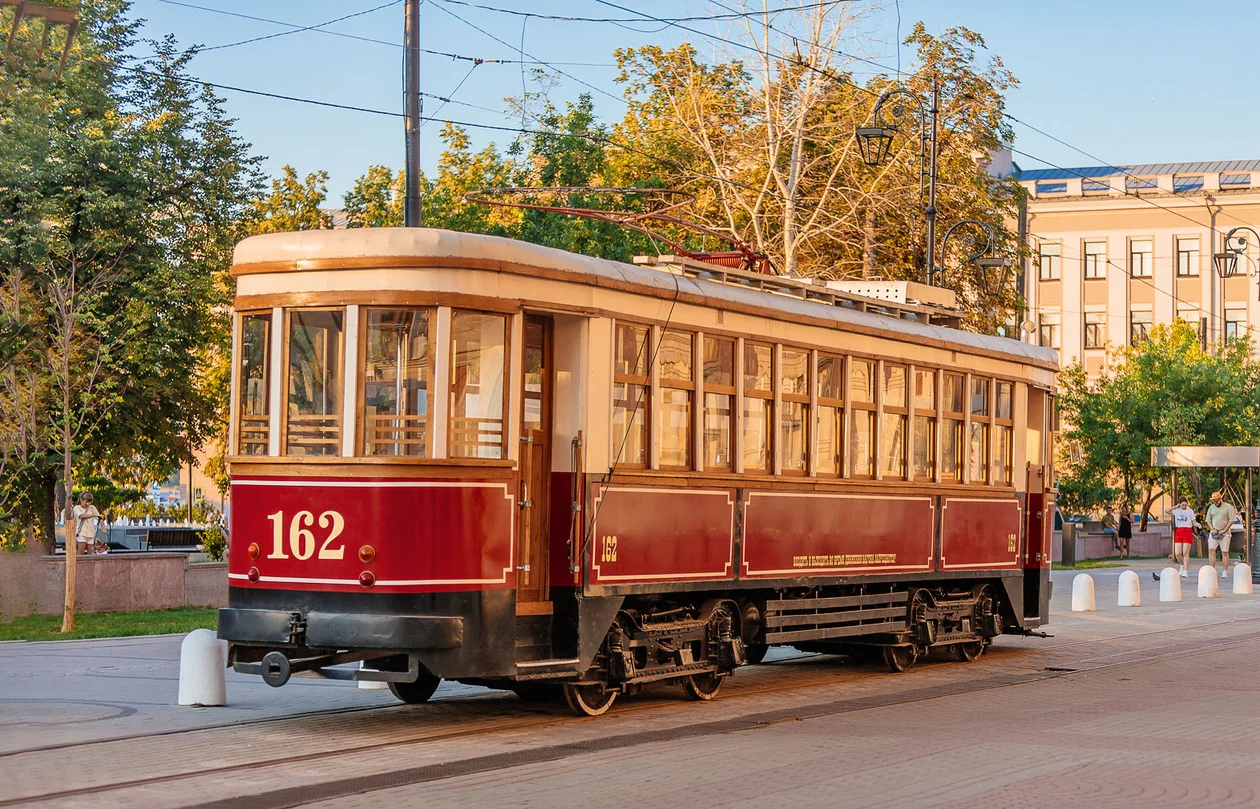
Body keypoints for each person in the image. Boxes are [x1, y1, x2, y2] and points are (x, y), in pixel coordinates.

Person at [1205, 491, 1238, 580]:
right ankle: (1212, 570)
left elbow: (1231, 520)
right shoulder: (1211, 508)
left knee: (1224, 552)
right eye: (1214, 501)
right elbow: (1208, 520)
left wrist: (1224, 530)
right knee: (1211, 550)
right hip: (1214, 532)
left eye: (1216, 500)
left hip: (1225, 533)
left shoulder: (1228, 507)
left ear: (1220, 499)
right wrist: (1212, 528)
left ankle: (1225, 571)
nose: (1215, 502)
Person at [1170, 499, 1196, 578]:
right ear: (1180, 504)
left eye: (1186, 505)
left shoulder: (1190, 511)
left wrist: (1197, 525)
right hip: (1179, 531)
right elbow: (1166, 511)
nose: (1184, 506)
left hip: (1187, 530)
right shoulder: (1176, 511)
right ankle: (1182, 565)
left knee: (1185, 552)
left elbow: (1194, 521)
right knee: (1177, 553)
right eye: (1183, 505)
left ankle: (1186, 570)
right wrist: (1175, 507)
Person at [72, 492, 102, 556]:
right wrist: (93, 515)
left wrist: (103, 528)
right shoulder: (76, 508)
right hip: (82, 533)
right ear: (81, 499)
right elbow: (81, 516)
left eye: (89, 502)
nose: (87, 504)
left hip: (91, 534)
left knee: (90, 554)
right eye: (86, 501)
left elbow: (99, 517)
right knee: (80, 553)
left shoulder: (92, 508)